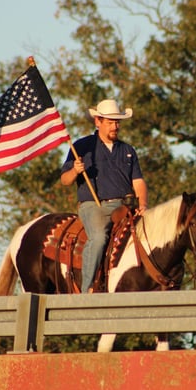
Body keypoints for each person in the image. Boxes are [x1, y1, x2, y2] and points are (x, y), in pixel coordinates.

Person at [60, 99, 148, 293]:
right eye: (110, 122)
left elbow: (138, 182)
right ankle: (87, 289)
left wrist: (143, 204)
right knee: (99, 237)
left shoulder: (128, 150)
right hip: (94, 206)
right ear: (98, 121)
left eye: (117, 122)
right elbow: (65, 180)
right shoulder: (82, 146)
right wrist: (75, 171)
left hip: (125, 206)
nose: (115, 126)